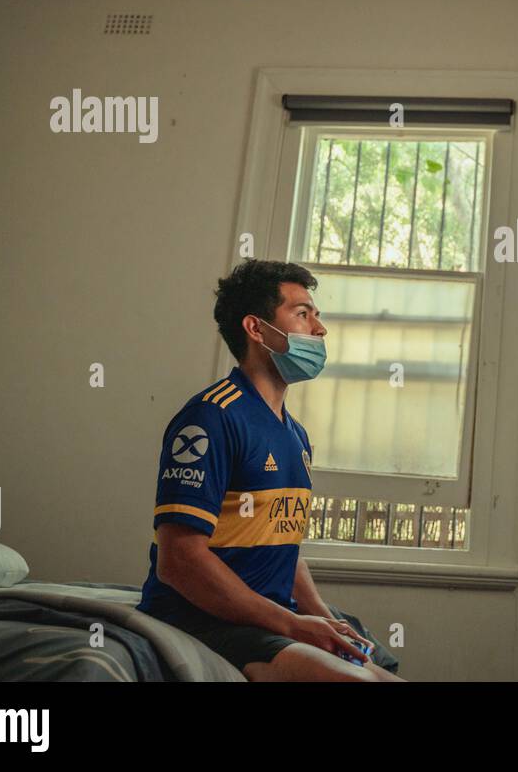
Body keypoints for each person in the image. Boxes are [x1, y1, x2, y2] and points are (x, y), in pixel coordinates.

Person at [136, 259, 405, 681]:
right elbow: (178, 561)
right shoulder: (211, 418)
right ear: (257, 329)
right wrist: (292, 625)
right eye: (302, 313)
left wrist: (320, 615)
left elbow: (282, 546)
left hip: (273, 616)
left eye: (317, 315)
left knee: (384, 672)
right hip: (204, 621)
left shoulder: (294, 435)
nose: (319, 329)